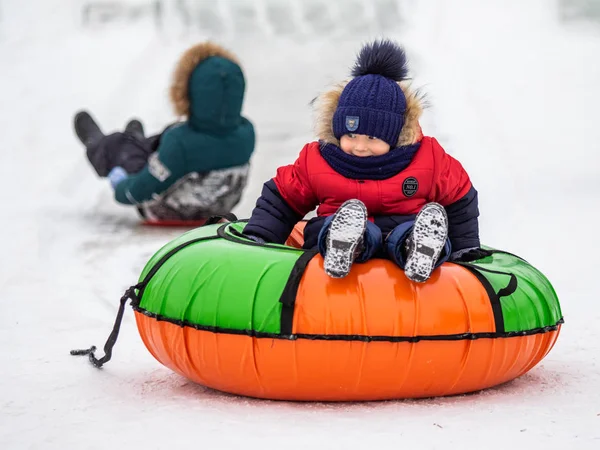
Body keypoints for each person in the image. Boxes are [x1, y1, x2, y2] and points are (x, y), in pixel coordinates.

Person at [243, 39, 488, 282]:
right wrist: (260, 237)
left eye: (372, 138)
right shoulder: (318, 159)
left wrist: (464, 249)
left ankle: (418, 247)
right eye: (350, 135)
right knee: (327, 227)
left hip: (401, 231)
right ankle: (347, 242)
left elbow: (460, 198)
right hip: (335, 229)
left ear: (394, 136)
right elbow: (282, 198)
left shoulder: (426, 159)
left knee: (410, 231)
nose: (360, 147)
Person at [73, 42, 255, 222]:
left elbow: (140, 190)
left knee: (124, 154)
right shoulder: (247, 132)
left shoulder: (180, 142)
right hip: (218, 207)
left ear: (187, 92)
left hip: (170, 210)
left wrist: (121, 187)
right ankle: (135, 141)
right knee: (166, 136)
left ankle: (102, 144)